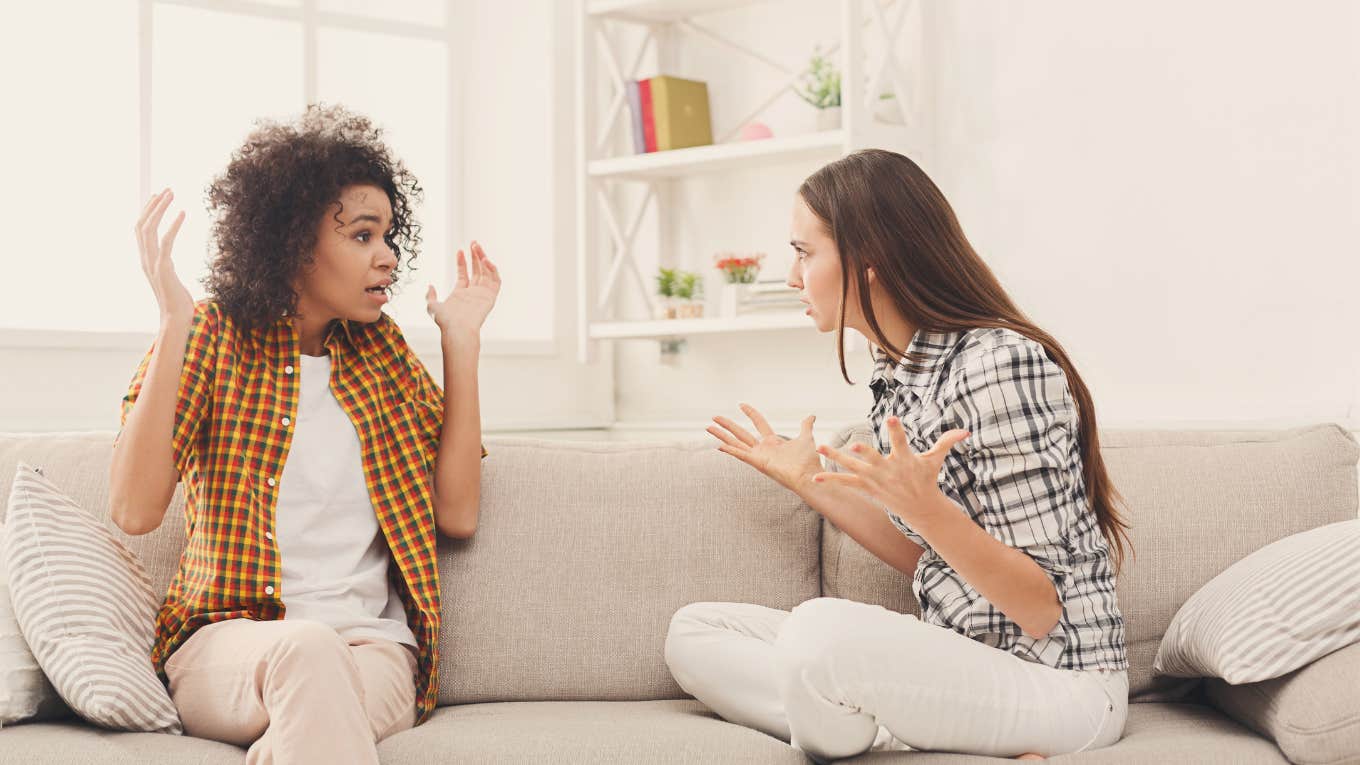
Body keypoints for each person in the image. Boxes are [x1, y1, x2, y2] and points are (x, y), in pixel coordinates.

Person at [665, 149, 1132, 762]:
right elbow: (932, 562)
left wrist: (931, 510)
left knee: (817, 634)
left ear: (868, 261)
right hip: (960, 658)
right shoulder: (898, 371)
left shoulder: (999, 364)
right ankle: (875, 726)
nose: (790, 276)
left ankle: (853, 722)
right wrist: (812, 483)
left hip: (1059, 683)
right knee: (695, 633)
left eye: (804, 252)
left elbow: (1042, 608)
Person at [108, 104, 497, 763]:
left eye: (389, 237)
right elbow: (133, 509)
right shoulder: (211, 336)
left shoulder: (384, 354)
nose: (388, 257)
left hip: (374, 653)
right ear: (294, 241)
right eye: (363, 236)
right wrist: (176, 321)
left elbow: (456, 514)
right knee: (309, 649)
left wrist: (460, 343)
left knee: (315, 698)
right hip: (228, 647)